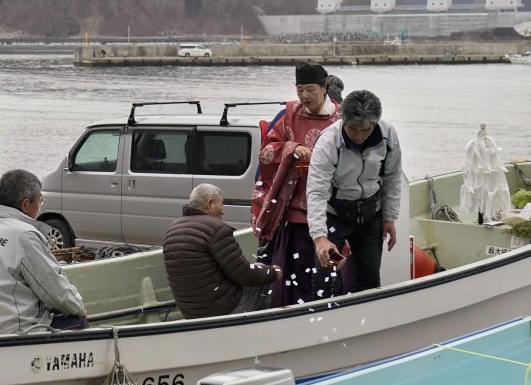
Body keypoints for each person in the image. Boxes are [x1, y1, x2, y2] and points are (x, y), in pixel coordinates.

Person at [251, 62, 341, 307]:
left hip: (331, 209)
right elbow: (267, 152)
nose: (304, 96)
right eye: (299, 90)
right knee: (293, 273)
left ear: (325, 87)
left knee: (330, 272)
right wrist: (292, 149)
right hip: (294, 212)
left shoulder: (340, 118)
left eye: (310, 89)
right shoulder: (289, 115)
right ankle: (291, 313)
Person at [0, 169, 88, 336]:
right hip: (12, 331)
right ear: (25, 205)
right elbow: (55, 291)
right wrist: (80, 308)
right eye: (40, 201)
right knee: (78, 322)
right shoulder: (24, 234)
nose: (41, 206)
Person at [307, 90, 402, 296]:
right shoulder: (328, 142)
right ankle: (324, 321)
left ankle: (366, 323)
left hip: (370, 212)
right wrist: (319, 236)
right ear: (342, 120)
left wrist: (389, 217)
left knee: (370, 280)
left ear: (375, 123)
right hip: (335, 213)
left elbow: (393, 177)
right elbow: (316, 192)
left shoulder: (388, 135)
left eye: (366, 129)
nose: (359, 136)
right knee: (326, 280)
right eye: (353, 129)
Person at [164, 183, 282, 319]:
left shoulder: (173, 229)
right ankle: (260, 328)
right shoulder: (216, 229)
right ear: (210, 204)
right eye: (222, 204)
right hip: (220, 310)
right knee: (263, 272)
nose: (223, 211)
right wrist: (273, 272)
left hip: (190, 312)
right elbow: (243, 274)